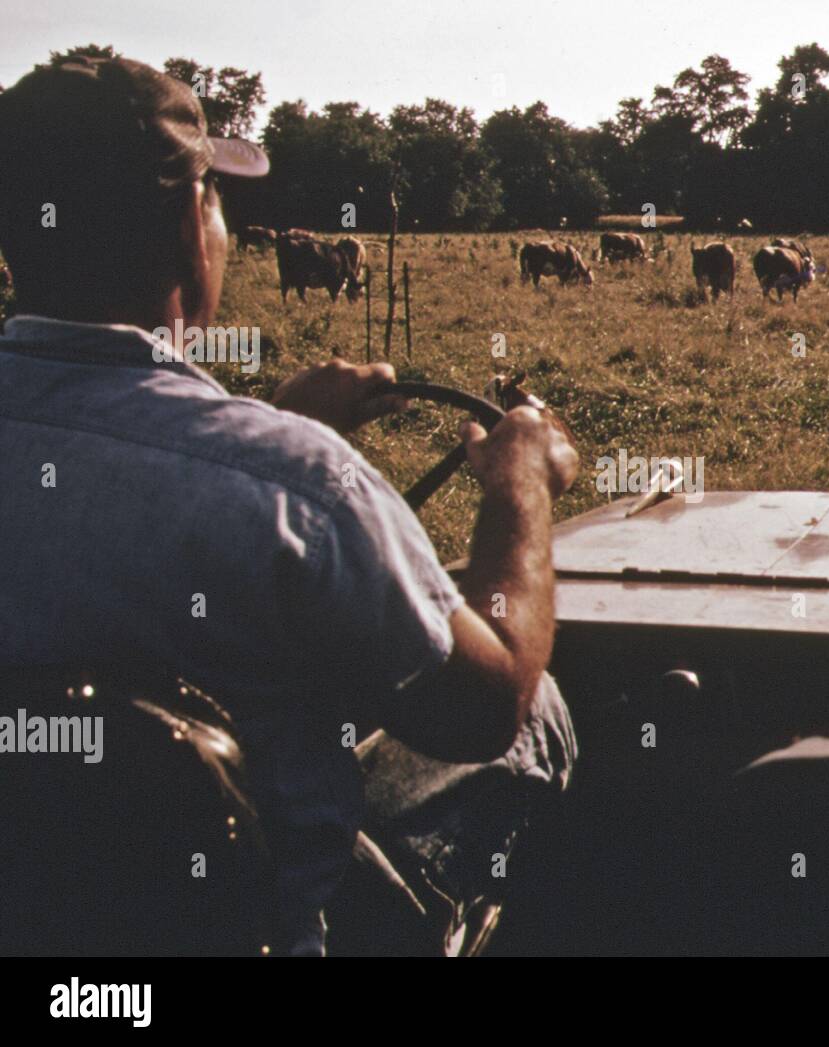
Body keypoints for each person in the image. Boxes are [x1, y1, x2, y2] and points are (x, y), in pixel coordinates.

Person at [0, 54, 578, 955]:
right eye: (218, 199)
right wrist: (521, 483)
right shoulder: (299, 486)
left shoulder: (280, 470)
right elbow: (486, 703)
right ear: (194, 223)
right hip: (247, 930)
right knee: (536, 714)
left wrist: (264, 428)